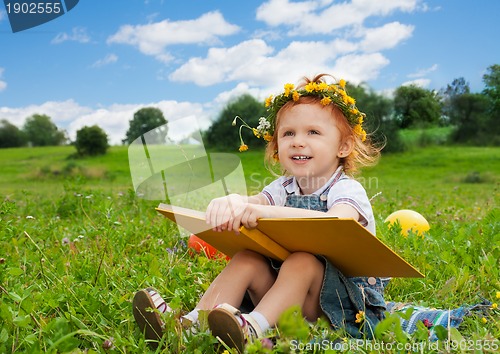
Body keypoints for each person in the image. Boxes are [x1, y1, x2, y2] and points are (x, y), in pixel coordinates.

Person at [133, 73, 388, 351]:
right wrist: (234, 201)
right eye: (288, 133)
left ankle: (253, 330)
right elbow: (254, 200)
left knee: (302, 261)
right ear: (277, 145)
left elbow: (338, 222)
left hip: (341, 307)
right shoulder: (283, 188)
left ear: (343, 146)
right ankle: (191, 326)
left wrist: (257, 210)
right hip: (288, 298)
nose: (298, 141)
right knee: (247, 258)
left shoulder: (346, 190)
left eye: (313, 132)